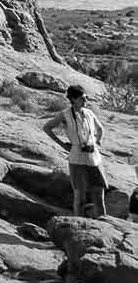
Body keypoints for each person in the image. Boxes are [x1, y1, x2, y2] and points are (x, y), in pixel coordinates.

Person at [43, 84, 107, 218]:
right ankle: (78, 224)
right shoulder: (65, 114)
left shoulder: (89, 113)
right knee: (80, 197)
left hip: (94, 158)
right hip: (77, 158)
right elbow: (47, 127)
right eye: (83, 98)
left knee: (99, 196)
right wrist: (63, 145)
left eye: (86, 98)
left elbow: (100, 129)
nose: (86, 101)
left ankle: (103, 226)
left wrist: (97, 143)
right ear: (73, 99)